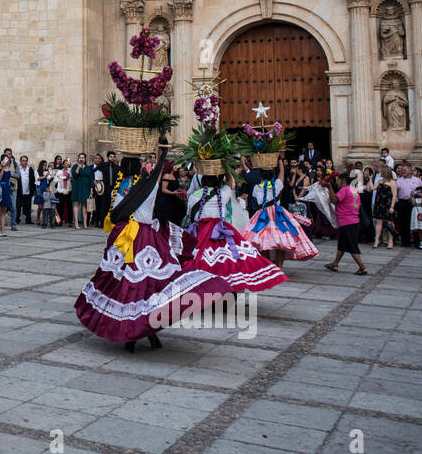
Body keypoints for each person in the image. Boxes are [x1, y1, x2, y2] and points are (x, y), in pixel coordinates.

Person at [76, 146, 231, 353]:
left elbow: (116, 212)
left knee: (126, 286)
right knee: (148, 287)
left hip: (123, 240)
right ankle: (144, 332)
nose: (145, 165)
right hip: (145, 240)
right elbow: (157, 173)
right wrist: (162, 150)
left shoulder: (120, 187)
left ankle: (135, 333)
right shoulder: (148, 188)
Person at [180, 173, 289, 292]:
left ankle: (202, 285)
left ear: (201, 183)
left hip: (201, 231)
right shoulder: (222, 193)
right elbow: (231, 184)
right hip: (220, 231)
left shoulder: (193, 196)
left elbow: (189, 213)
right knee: (228, 259)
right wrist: (227, 170)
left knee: (200, 257)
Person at [245, 158, 319, 265]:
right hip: (277, 213)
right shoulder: (277, 184)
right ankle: (279, 265)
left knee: (263, 240)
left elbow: (258, 200)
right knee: (280, 241)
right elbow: (281, 176)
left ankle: (268, 264)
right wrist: (280, 163)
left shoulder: (257, 188)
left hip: (263, 214)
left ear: (261, 176)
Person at [324, 171, 369, 274]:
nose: (337, 183)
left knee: (352, 246)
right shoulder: (354, 190)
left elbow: (334, 199)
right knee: (342, 244)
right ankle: (335, 263)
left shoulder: (344, 189)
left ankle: (362, 267)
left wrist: (329, 187)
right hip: (353, 221)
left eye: (338, 180)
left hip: (347, 221)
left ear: (343, 181)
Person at [14, 155, 36, 225]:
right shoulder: (17, 168)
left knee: (28, 207)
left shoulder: (30, 169)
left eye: (26, 161)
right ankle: (17, 219)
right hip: (19, 191)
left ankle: (28, 220)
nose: (24, 162)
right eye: (23, 161)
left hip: (28, 191)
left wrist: (33, 190)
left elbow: (33, 180)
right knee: (18, 206)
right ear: (20, 161)